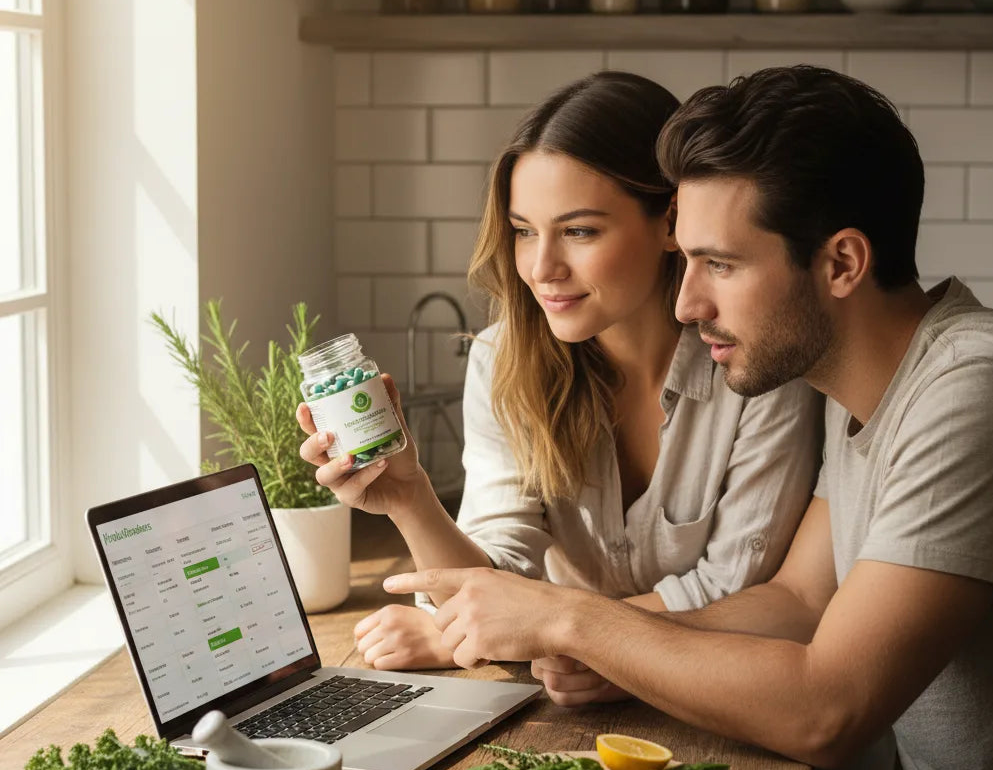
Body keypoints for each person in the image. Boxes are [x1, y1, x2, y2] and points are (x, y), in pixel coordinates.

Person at [383, 65, 993, 770]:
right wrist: (606, 649)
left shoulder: (974, 388)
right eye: (685, 259)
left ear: (841, 264)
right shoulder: (860, 391)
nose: (685, 303)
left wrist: (570, 622)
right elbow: (798, 600)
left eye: (719, 264)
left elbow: (829, 712)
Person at [298, 70, 821, 673]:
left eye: (578, 231)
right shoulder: (503, 361)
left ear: (670, 223)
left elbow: (738, 588)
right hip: (564, 699)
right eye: (524, 232)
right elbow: (490, 582)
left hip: (724, 695)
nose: (542, 267)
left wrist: (551, 634)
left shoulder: (760, 362)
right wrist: (409, 498)